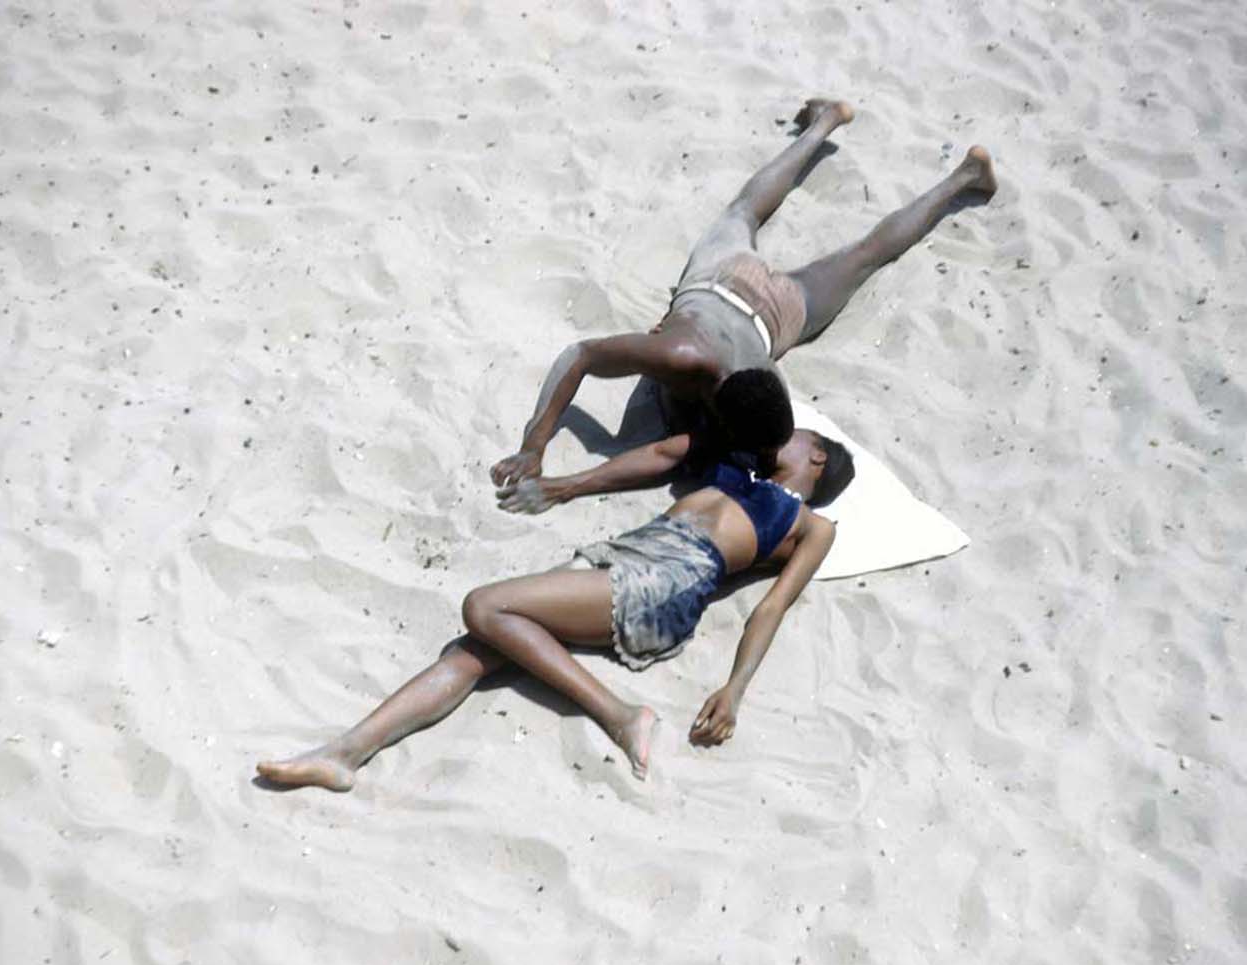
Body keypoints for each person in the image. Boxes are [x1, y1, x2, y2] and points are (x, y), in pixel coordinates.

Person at [256, 428, 856, 791]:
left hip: (667, 582)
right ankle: (345, 754)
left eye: (800, 435)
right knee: (474, 652)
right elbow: (665, 449)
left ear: (818, 458)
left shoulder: (812, 525)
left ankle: (621, 716)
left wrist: (735, 689)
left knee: (484, 606)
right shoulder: (738, 464)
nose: (788, 434)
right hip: (623, 558)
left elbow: (773, 607)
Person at [489, 97, 995, 491]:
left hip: (739, 292)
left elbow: (583, 355)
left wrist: (537, 452)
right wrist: (534, 447)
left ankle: (827, 122)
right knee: (863, 255)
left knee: (748, 212)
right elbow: (577, 357)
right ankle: (964, 176)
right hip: (769, 311)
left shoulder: (706, 371)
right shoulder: (700, 363)